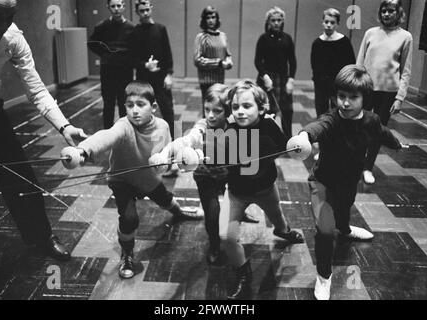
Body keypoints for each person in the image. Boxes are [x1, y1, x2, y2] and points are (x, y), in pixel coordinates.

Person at [60, 81, 202, 279]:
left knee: (165, 199)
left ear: (153, 107)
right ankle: (127, 253)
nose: (134, 110)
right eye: (129, 105)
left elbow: (166, 153)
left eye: (140, 104)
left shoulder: (162, 126)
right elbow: (106, 136)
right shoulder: (123, 126)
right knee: (129, 219)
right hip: (123, 180)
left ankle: (179, 212)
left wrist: (176, 160)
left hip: (148, 178)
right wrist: (83, 150)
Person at [0, 0, 87, 261]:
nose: (2, 24)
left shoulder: (12, 37)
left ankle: (41, 238)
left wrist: (65, 126)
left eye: (9, 16)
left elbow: (36, 88)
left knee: (23, 180)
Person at [287, 65, 403, 300]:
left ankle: (347, 230)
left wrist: (397, 144)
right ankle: (323, 276)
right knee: (326, 231)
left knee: (344, 208)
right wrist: (304, 136)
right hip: (322, 183)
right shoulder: (331, 119)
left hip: (348, 181)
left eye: (353, 97)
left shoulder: (371, 120)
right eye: (341, 96)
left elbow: (381, 132)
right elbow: (317, 127)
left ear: (365, 98)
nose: (345, 103)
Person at [150, 83, 258, 267]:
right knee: (212, 214)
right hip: (205, 177)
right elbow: (187, 139)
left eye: (217, 111)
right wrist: (166, 154)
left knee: (238, 198)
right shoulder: (202, 125)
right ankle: (214, 245)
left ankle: (241, 213)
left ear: (227, 110)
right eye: (207, 109)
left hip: (228, 174)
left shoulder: (234, 123)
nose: (210, 115)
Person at [220, 80, 304, 300]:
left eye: (247, 106)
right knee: (226, 236)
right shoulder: (228, 130)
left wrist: (296, 145)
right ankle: (243, 272)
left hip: (266, 189)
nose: (240, 111)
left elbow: (287, 146)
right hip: (236, 193)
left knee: (278, 218)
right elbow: (215, 155)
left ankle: (282, 231)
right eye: (235, 107)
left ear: (261, 108)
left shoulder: (268, 126)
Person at [357, 0, 412, 185]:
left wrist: (400, 98)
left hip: (388, 93)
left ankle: (367, 167)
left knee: (376, 131)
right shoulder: (370, 33)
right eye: (384, 11)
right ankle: (355, 163)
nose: (387, 14)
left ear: (398, 13)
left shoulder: (406, 37)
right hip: (366, 89)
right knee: (357, 126)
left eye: (391, 11)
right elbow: (360, 61)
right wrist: (355, 85)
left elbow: (405, 70)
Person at [88, 0, 135, 129]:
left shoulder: (131, 27)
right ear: (108, 7)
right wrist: (104, 54)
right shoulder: (102, 26)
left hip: (125, 71)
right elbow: (92, 43)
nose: (116, 9)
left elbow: (136, 48)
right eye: (113, 6)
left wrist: (127, 58)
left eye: (119, 6)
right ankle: (108, 134)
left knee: (124, 103)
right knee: (108, 104)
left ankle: (124, 132)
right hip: (108, 71)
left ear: (124, 7)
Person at [132, 0, 175, 140]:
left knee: (168, 110)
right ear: (137, 12)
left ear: (151, 8)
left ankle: (173, 139)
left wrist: (169, 74)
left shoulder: (160, 28)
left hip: (161, 78)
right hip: (143, 78)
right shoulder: (135, 31)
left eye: (146, 10)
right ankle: (144, 141)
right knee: (143, 110)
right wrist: (145, 65)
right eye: (141, 11)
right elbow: (133, 58)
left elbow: (167, 53)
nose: (145, 13)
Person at [255, 7, 297, 138]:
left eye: (279, 20)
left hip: (283, 79)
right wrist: (265, 76)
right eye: (273, 20)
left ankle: (288, 139)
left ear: (283, 21)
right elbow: (257, 61)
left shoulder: (287, 38)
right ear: (268, 22)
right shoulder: (263, 38)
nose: (276, 23)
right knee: (267, 110)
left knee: (287, 111)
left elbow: (292, 61)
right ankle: (264, 138)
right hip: (267, 78)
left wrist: (291, 80)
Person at [311, 8, 355, 118]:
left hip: (339, 85)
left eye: (332, 22)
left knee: (339, 114)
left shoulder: (344, 42)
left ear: (338, 24)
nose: (329, 25)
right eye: (326, 22)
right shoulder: (317, 43)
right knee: (321, 114)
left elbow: (350, 64)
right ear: (322, 23)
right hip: (321, 86)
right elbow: (315, 66)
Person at [194, 6, 233, 117]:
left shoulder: (222, 36)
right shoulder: (201, 37)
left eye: (213, 17)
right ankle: (207, 132)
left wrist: (229, 62)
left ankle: (218, 132)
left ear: (217, 19)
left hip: (220, 79)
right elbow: (198, 60)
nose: (211, 20)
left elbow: (228, 54)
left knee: (220, 107)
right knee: (208, 109)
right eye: (208, 18)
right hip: (206, 80)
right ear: (204, 20)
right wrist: (219, 63)